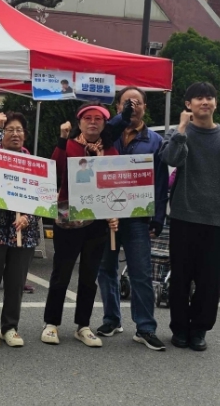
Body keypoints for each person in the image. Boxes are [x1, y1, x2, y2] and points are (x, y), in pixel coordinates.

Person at [96, 86, 167, 351]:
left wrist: (157, 217)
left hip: (138, 217)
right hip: (107, 215)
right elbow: (99, 135)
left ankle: (145, 327)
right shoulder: (110, 134)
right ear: (117, 107)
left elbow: (160, 183)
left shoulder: (155, 141)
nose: (133, 106)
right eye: (127, 102)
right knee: (106, 270)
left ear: (146, 107)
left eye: (137, 102)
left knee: (140, 273)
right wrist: (120, 119)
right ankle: (111, 319)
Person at [42, 102, 119, 347]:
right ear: (80, 122)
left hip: (97, 220)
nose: (93, 122)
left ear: (105, 124)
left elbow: (115, 186)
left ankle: (83, 325)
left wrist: (116, 212)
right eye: (88, 118)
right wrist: (62, 139)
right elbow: (55, 167)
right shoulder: (70, 145)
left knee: (89, 275)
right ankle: (51, 323)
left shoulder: (111, 151)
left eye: (99, 118)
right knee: (61, 272)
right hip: (68, 215)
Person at [160, 81, 220, 351]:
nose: (204, 102)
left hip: (215, 220)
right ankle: (179, 329)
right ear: (188, 105)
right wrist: (181, 129)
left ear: (215, 103)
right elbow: (171, 158)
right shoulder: (181, 134)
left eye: (209, 98)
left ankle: (199, 330)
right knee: (181, 278)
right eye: (198, 98)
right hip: (184, 217)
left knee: (210, 281)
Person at [0, 112, 39, 348]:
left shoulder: (33, 163)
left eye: (19, 130)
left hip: (23, 231)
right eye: (9, 130)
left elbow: (41, 195)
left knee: (16, 281)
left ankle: (10, 326)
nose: (15, 134)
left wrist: (28, 217)